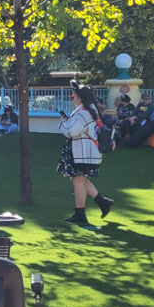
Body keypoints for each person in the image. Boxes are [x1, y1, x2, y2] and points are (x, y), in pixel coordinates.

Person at [56, 82, 113, 225]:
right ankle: (102, 202)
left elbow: (71, 132)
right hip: (85, 153)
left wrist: (63, 122)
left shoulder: (83, 113)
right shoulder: (89, 111)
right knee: (78, 180)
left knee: (78, 182)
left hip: (83, 153)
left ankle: (80, 213)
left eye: (73, 96)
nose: (72, 98)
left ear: (80, 98)